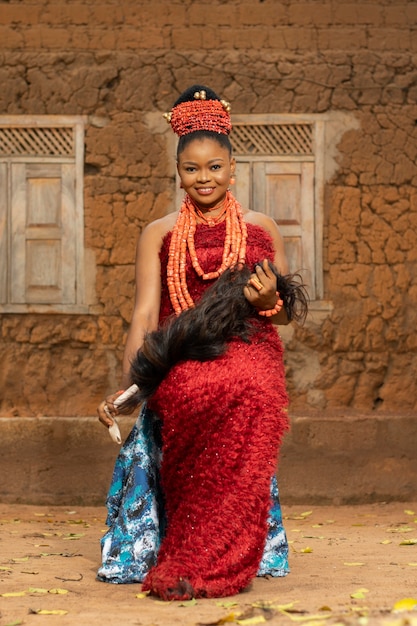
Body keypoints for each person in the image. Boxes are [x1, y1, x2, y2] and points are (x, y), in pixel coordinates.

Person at [97, 85, 307, 600]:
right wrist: (130, 386)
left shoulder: (261, 227)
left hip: (251, 346)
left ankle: (224, 551)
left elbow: (284, 320)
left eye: (215, 167)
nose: (204, 178)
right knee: (192, 389)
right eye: (192, 169)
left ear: (233, 170)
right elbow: (147, 312)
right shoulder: (159, 233)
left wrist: (266, 306)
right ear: (178, 173)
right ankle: (193, 542)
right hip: (183, 352)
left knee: (251, 390)